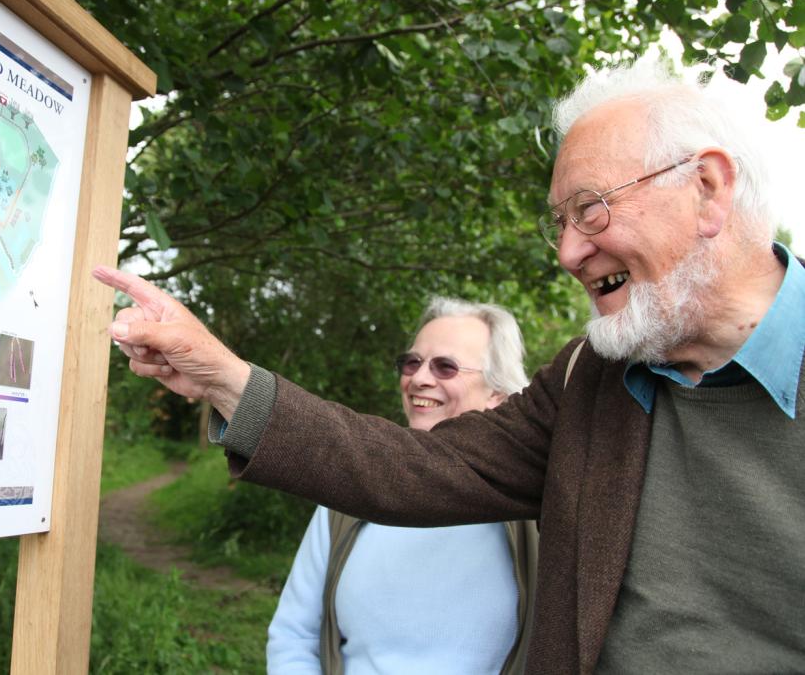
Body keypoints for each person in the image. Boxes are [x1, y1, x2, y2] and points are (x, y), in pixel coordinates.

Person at [94, 57, 805, 673]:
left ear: (706, 189)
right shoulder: (590, 377)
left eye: (588, 211)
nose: (566, 254)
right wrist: (222, 376)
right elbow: (412, 467)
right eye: (557, 223)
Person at [267, 298, 537, 675]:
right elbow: (294, 635)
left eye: (446, 366)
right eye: (412, 362)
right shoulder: (350, 491)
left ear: (498, 394)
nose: (420, 378)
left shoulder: (533, 510)